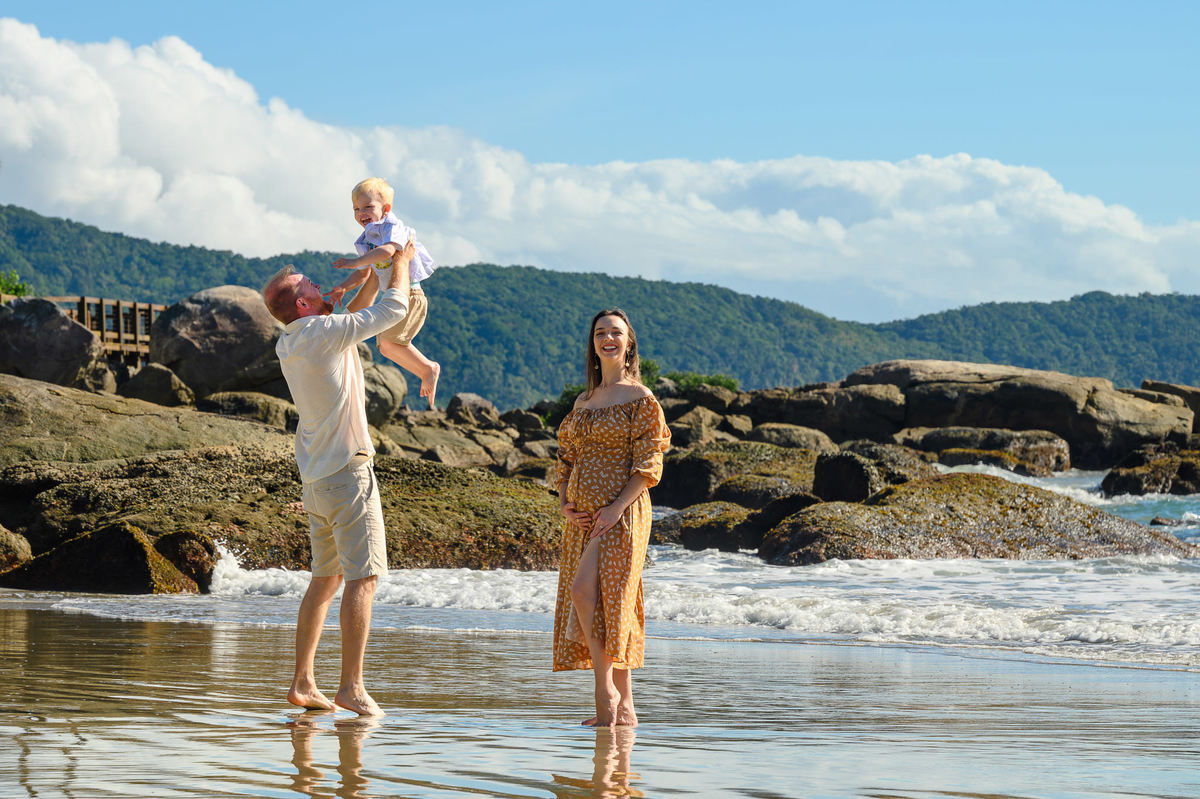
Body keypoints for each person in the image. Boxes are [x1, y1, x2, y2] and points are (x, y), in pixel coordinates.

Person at [261, 239, 415, 716]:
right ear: (303, 304)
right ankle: (352, 686)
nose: (318, 283)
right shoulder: (323, 332)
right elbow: (393, 309)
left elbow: (355, 316)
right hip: (349, 474)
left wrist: (365, 274)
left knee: (324, 580)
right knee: (363, 579)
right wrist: (402, 263)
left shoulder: (294, 340)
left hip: (317, 480)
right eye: (310, 284)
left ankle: (303, 682)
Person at [553, 308, 671, 727]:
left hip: (623, 512)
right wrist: (565, 501)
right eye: (600, 332)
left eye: (616, 332)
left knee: (586, 593)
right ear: (593, 343)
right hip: (582, 517)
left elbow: (650, 462)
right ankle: (626, 708)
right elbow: (566, 457)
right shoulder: (583, 401)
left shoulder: (641, 398)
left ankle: (605, 694)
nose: (608, 338)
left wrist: (617, 508)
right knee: (609, 602)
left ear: (629, 343)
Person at [325, 177, 441, 408]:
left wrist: (354, 261)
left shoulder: (392, 227)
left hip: (411, 297)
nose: (361, 213)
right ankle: (425, 369)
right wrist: (343, 287)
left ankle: (429, 368)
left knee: (390, 342)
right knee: (385, 346)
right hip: (394, 297)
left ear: (385, 209)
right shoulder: (367, 240)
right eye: (356, 209)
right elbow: (364, 274)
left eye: (368, 207)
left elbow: (388, 251)